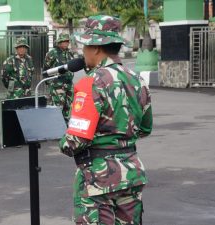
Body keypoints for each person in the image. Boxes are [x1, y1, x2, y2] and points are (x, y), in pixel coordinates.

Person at [58, 15, 153, 225]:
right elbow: (145, 128)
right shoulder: (138, 80)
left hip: (98, 178)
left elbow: (75, 141)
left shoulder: (90, 83)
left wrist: (62, 142)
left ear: (95, 48)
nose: (83, 53)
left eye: (85, 47)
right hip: (131, 173)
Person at [43, 33, 75, 123]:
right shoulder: (52, 53)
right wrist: (51, 84)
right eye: (64, 41)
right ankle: (56, 128)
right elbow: (46, 69)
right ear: (59, 42)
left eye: (67, 42)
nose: (66, 43)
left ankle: (65, 128)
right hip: (57, 85)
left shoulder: (70, 53)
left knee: (68, 107)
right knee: (57, 108)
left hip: (68, 84)